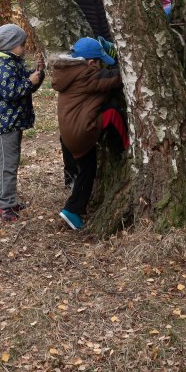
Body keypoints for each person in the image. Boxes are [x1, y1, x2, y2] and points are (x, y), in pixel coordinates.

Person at [49, 37, 128, 231]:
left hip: (70, 134)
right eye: (100, 63)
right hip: (81, 132)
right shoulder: (86, 75)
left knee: (88, 170)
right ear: (91, 62)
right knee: (111, 114)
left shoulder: (69, 72)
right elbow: (117, 78)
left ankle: (73, 209)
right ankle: (126, 148)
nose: (101, 67)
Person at [0, 23, 45, 222]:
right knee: (8, 164)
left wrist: (37, 74)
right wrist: (30, 82)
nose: (24, 47)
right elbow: (11, 91)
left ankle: (4, 199)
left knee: (10, 162)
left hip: (13, 120)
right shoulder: (1, 65)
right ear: (10, 45)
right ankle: (5, 204)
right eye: (21, 44)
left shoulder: (12, 62)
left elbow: (24, 86)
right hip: (6, 122)